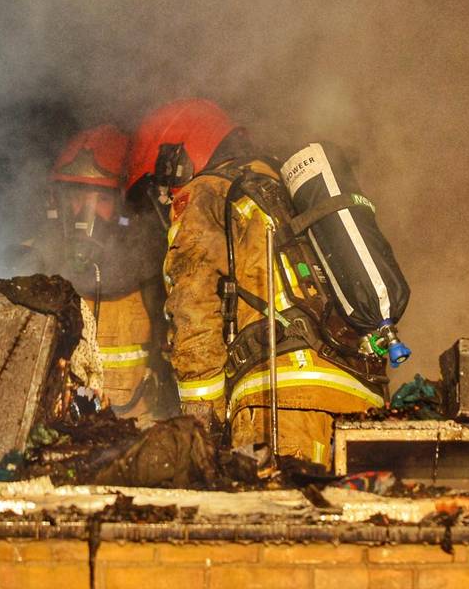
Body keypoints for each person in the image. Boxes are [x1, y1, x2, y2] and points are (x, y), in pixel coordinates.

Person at [125, 99, 386, 467]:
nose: (166, 199)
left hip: (280, 402)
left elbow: (193, 313)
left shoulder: (205, 194)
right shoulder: (279, 185)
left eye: (163, 186)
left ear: (178, 159)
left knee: (283, 515)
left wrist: (201, 426)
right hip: (362, 398)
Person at [33, 124, 175, 423]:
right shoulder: (36, 265)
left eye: (103, 200)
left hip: (139, 438)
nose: (87, 211)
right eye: (77, 197)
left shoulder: (153, 271)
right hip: (64, 434)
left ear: (125, 205)